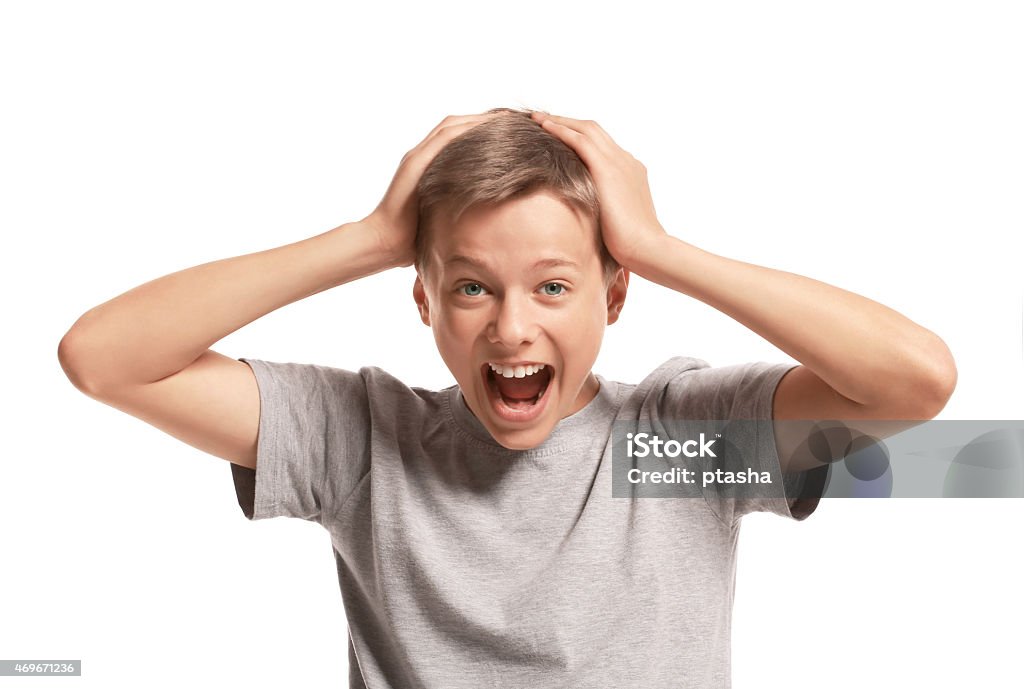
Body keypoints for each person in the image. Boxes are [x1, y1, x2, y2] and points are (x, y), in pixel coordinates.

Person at [57, 107, 957, 688]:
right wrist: (372, 237)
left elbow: (914, 380)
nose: (512, 328)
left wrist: (658, 245)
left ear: (614, 295)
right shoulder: (367, 442)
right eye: (472, 286)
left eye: (554, 287)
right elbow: (104, 358)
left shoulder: (674, 443)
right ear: (423, 300)